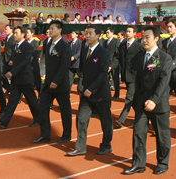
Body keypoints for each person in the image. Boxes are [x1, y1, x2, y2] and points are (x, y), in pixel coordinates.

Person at [122, 25, 172, 175]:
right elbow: (136, 80)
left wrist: (154, 100)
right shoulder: (139, 57)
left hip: (158, 103)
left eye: (147, 37)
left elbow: (164, 82)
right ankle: (138, 164)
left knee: (162, 135)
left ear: (156, 38)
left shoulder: (164, 58)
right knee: (138, 132)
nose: (143, 40)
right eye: (142, 37)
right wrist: (136, 101)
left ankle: (162, 163)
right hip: (141, 103)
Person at [67, 25, 113, 156]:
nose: (87, 36)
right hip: (86, 92)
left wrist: (91, 89)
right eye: (86, 33)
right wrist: (82, 87)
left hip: (100, 93)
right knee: (81, 118)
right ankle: (80, 147)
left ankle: (106, 145)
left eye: (90, 33)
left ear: (98, 36)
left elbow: (103, 73)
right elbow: (82, 70)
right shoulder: (84, 49)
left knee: (105, 121)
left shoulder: (104, 52)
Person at [33, 20, 72, 144]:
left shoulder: (65, 45)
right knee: (42, 107)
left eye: (52, 28)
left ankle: (66, 135)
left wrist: (56, 81)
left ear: (60, 30)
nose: (50, 31)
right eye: (49, 29)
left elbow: (64, 65)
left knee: (65, 111)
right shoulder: (48, 43)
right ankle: (45, 134)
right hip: (48, 84)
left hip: (60, 84)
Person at [0, 26, 40, 129]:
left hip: (25, 79)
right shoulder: (16, 46)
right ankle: (4, 122)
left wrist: (12, 72)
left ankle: (38, 119)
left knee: (32, 101)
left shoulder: (27, 46)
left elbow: (25, 61)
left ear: (23, 34)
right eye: (14, 33)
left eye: (16, 33)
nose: (14, 35)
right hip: (16, 79)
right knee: (12, 101)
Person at [116, 25, 143, 128]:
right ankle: (141, 117)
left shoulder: (139, 46)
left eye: (130, 31)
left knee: (129, 97)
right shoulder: (122, 45)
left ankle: (121, 119)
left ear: (135, 33)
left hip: (135, 77)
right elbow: (119, 59)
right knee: (134, 99)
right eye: (127, 31)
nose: (127, 33)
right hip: (125, 76)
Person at [104, 27, 120, 99]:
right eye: (106, 32)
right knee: (105, 79)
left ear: (112, 33)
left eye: (108, 32)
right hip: (106, 63)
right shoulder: (105, 42)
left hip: (114, 64)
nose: (107, 34)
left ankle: (116, 94)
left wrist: (112, 65)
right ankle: (106, 94)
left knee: (115, 79)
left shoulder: (116, 41)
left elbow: (117, 55)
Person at [26, 27, 42, 95]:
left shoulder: (35, 43)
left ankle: (41, 95)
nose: (27, 34)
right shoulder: (25, 43)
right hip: (27, 66)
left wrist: (27, 61)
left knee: (37, 82)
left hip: (33, 66)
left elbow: (34, 54)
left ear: (32, 33)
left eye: (28, 33)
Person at [2, 24, 15, 95]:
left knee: (13, 76)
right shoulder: (7, 38)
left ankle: (13, 90)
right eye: (5, 29)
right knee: (2, 74)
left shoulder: (13, 38)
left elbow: (14, 50)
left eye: (7, 29)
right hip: (6, 60)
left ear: (11, 30)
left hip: (10, 60)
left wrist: (12, 59)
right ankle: (8, 88)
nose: (5, 31)